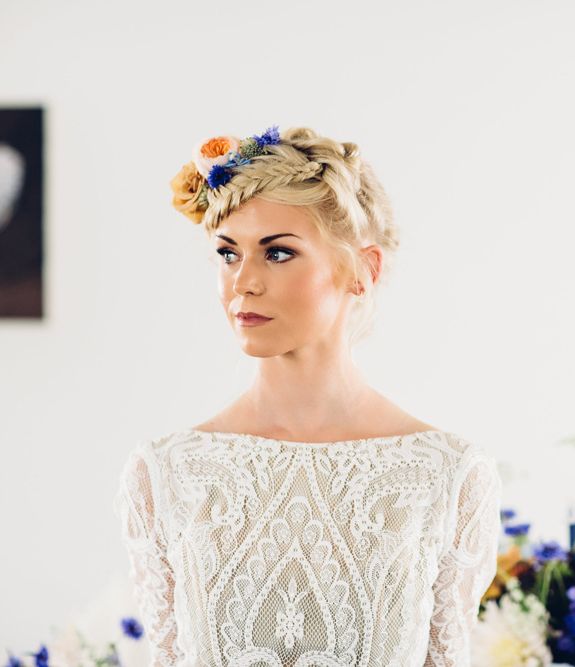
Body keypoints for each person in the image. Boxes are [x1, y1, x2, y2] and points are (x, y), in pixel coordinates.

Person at [113, 125, 503, 666]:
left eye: (277, 254)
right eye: (228, 254)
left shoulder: (449, 476)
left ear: (363, 271)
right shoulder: (165, 474)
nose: (242, 282)